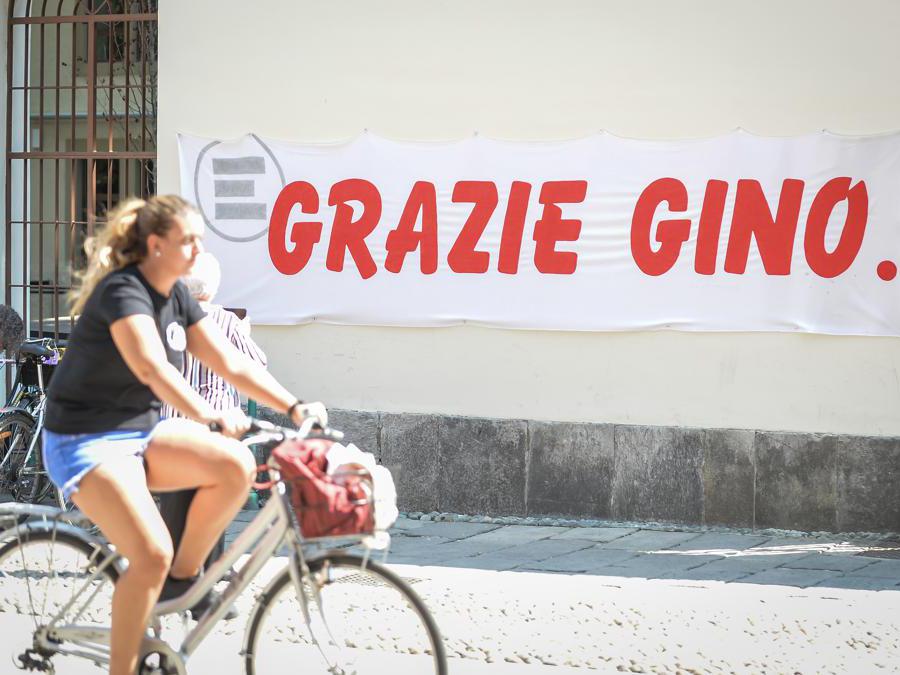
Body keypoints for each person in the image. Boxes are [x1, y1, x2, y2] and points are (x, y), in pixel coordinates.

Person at [41, 195, 326, 675]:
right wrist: (209, 414)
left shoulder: (177, 296)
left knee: (233, 465)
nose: (197, 250)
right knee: (150, 552)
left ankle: (182, 580)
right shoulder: (122, 292)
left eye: (200, 240)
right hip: (85, 441)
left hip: (143, 435)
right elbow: (152, 368)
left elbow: (230, 363)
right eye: (188, 241)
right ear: (155, 245)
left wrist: (294, 405)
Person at [159, 251, 267, 585]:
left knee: (177, 496)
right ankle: (208, 564)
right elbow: (256, 364)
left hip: (172, 418)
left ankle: (176, 564)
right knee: (215, 492)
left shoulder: (165, 318)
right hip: (215, 418)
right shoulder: (225, 321)